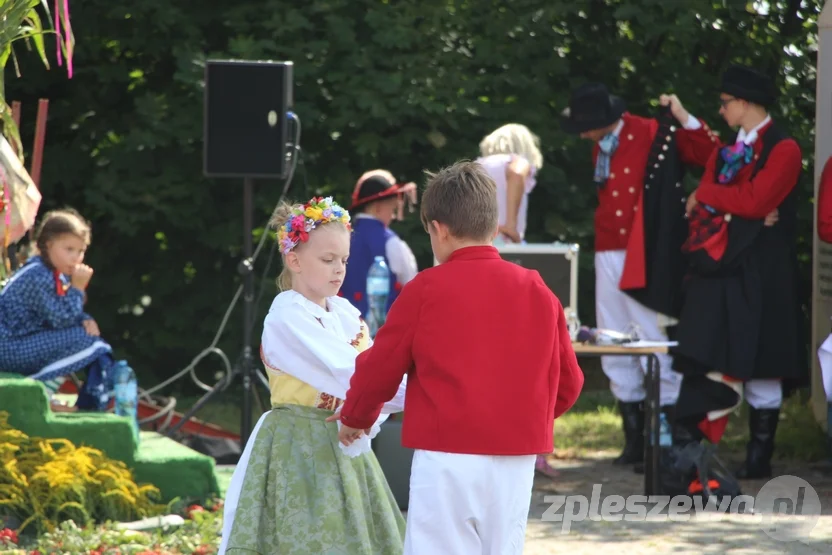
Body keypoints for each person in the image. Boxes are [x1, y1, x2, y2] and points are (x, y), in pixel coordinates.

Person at [332, 162, 584, 555]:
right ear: (494, 223)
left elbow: (380, 366)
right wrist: (523, 421)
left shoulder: (425, 289)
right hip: (515, 457)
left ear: (439, 228)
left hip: (445, 455)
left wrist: (355, 418)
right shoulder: (537, 288)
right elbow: (569, 382)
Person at [219, 196, 408, 555]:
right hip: (297, 445)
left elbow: (372, 372)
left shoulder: (344, 313)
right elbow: (351, 372)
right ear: (294, 260)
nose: (340, 269)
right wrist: (420, 392)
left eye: (344, 260)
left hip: (346, 440)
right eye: (328, 259)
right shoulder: (287, 315)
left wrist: (367, 417)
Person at [560, 82, 721, 469]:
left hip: (644, 249)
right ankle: (633, 439)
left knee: (649, 337)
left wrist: (684, 118)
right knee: (613, 338)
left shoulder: (652, 131)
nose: (582, 134)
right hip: (608, 249)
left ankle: (662, 440)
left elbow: (709, 152)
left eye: (587, 126)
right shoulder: (602, 143)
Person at [672, 64, 805, 482]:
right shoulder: (726, 148)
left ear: (745, 104)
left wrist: (710, 195)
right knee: (717, 358)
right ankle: (699, 455)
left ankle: (760, 456)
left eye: (726, 103)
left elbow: (755, 199)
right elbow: (740, 207)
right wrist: (736, 209)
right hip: (724, 271)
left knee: (765, 364)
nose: (722, 109)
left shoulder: (784, 148)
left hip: (766, 272)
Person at [0, 208, 129, 412]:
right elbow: (62, 320)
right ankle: (44, 394)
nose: (76, 258)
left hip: (16, 343)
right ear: (48, 245)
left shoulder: (49, 272)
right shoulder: (39, 275)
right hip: (8, 347)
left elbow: (59, 314)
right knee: (87, 341)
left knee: (83, 337)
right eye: (69, 249)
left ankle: (47, 395)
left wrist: (85, 317)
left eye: (80, 251)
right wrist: (78, 288)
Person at [338, 169, 418, 316]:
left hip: (341, 327)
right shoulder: (391, 241)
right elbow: (413, 285)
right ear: (378, 207)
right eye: (392, 209)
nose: (393, 216)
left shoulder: (340, 236)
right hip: (382, 332)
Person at [476, 123, 543, 245]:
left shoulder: (476, 166)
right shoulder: (516, 161)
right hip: (504, 240)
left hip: (474, 240)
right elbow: (516, 173)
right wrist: (510, 226)